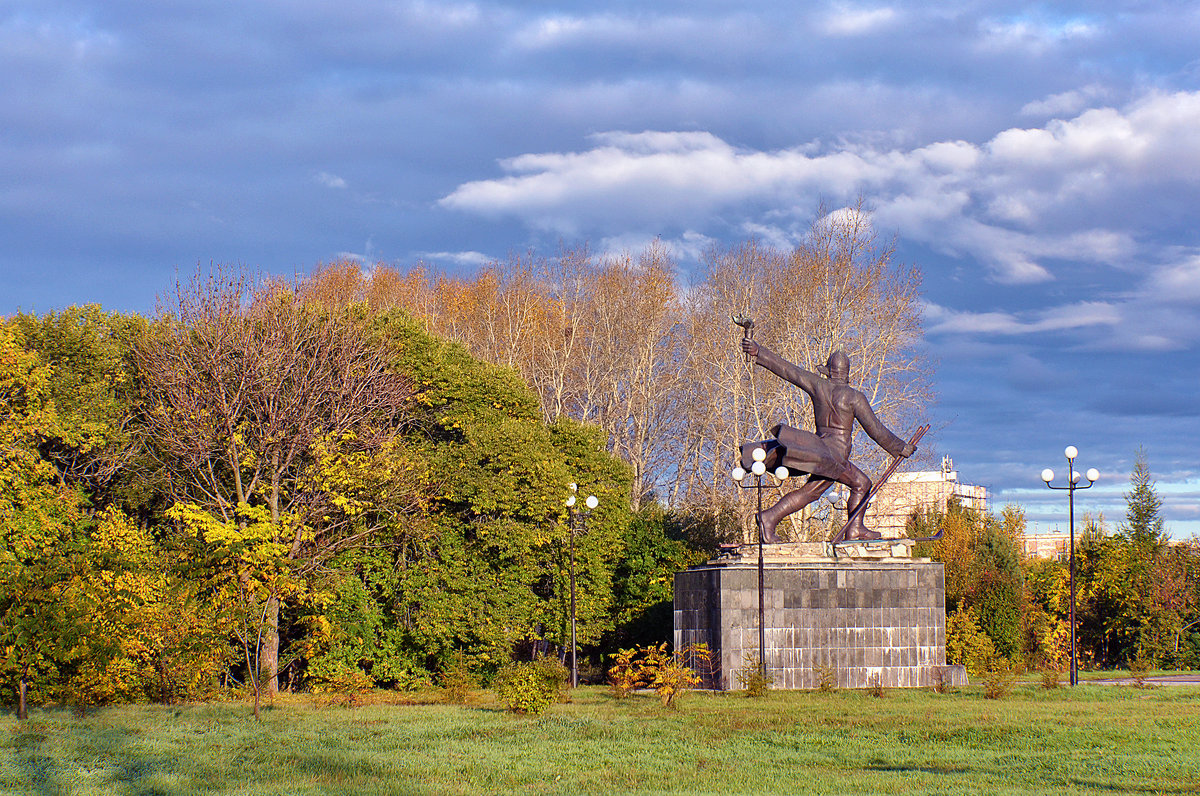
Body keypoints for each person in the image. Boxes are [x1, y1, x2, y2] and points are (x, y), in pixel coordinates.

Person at [740, 338, 915, 542]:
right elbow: (875, 429)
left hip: (820, 450)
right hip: (835, 456)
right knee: (855, 485)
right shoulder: (854, 397)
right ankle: (771, 517)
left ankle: (853, 528)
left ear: (829, 371)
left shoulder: (819, 386)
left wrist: (759, 351)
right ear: (847, 373)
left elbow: (790, 371)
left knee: (847, 485)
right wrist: (900, 447)